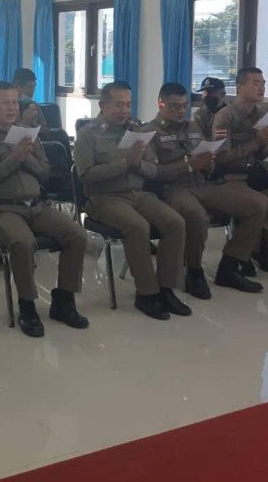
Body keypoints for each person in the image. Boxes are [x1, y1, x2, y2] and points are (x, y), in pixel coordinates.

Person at [0, 81, 89, 337]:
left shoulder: (28, 133)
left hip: (37, 206)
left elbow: (45, 173)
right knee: (23, 242)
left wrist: (28, 157)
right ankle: (27, 306)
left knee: (77, 235)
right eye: (5, 103)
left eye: (14, 102)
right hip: (2, 210)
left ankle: (63, 300)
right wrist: (14, 159)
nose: (12, 108)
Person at [74, 82, 190, 320]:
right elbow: (86, 176)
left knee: (175, 222)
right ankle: (146, 294)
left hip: (137, 194)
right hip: (104, 198)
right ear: (102, 105)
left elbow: (153, 169)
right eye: (119, 105)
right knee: (138, 227)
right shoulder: (88, 135)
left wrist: (137, 164)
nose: (125, 110)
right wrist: (124, 163)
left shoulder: (137, 131)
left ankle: (166, 289)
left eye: (128, 104)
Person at [146, 82, 268, 297]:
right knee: (197, 216)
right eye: (174, 106)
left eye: (184, 105)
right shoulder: (149, 132)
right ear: (161, 104)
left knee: (259, 204)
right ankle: (194, 271)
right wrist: (187, 165)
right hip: (173, 189)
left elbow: (209, 158)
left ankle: (230, 266)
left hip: (203, 183)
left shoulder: (193, 128)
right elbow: (151, 173)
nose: (180, 111)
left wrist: (209, 162)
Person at [211, 68, 268, 274]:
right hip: (231, 175)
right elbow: (222, 158)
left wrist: (264, 143)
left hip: (253, 170)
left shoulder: (261, 115)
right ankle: (237, 258)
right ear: (239, 87)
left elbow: (261, 155)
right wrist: (256, 142)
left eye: (263, 83)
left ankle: (264, 246)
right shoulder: (225, 117)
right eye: (255, 83)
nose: (261, 87)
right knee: (259, 203)